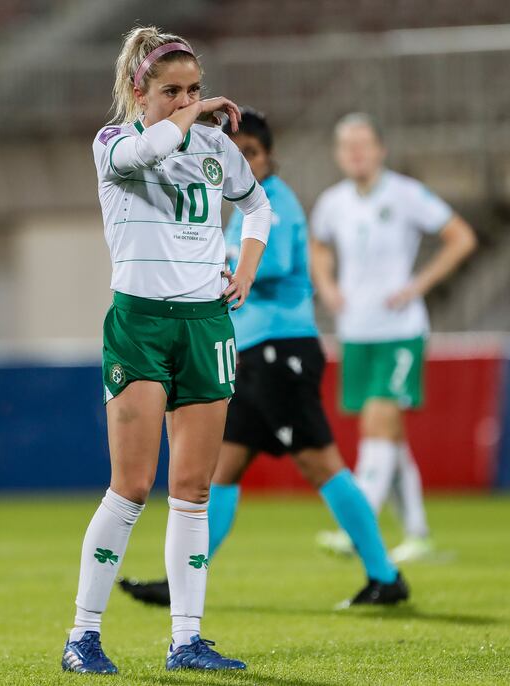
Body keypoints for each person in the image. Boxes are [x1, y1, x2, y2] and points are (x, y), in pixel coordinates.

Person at [118, 108, 409, 610]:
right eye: (236, 152)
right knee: (221, 473)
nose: (242, 162)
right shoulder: (243, 206)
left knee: (322, 465)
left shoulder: (275, 203)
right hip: (254, 356)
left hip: (282, 353)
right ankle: (181, 581)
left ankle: (385, 574)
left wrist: (202, 258)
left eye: (250, 152)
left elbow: (268, 264)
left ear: (268, 154)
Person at [61, 26, 274, 674]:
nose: (187, 100)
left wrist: (245, 267)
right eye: (171, 91)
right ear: (138, 90)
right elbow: (148, 151)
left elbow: (258, 209)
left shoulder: (215, 146)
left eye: (195, 89)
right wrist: (191, 118)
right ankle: (83, 636)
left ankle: (186, 641)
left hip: (206, 325)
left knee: (192, 491)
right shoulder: (114, 143)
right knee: (130, 488)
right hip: (140, 324)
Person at [309, 113, 478, 562]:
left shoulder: (405, 194)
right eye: (348, 146)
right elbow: (318, 245)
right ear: (338, 155)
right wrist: (327, 286)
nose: (356, 153)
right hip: (356, 332)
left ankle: (356, 524)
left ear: (381, 149)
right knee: (391, 436)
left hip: (399, 331)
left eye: (364, 144)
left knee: (379, 421)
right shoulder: (333, 202)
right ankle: (418, 534)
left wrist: (418, 285)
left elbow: (460, 237)